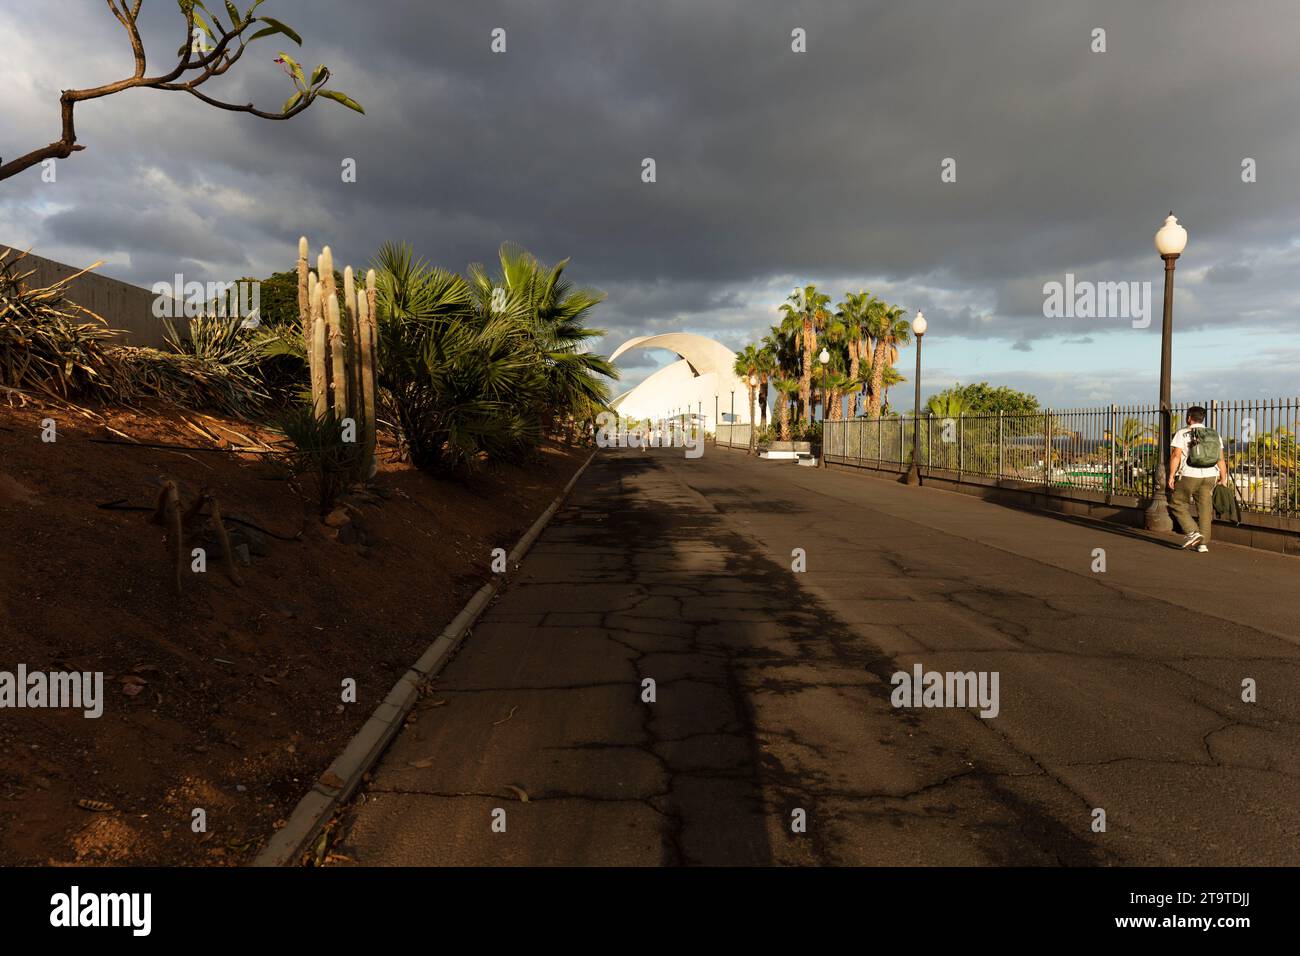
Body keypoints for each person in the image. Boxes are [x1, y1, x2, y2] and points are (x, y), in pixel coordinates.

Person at [1167, 406, 1228, 552]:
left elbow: (1175, 455)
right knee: (1205, 508)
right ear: (1202, 418)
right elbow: (1220, 458)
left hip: (1189, 474)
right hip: (1210, 476)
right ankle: (1203, 544)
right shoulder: (1214, 434)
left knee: (1177, 503)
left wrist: (1171, 475)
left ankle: (1192, 532)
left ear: (1189, 418)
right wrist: (1223, 477)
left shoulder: (1183, 433)